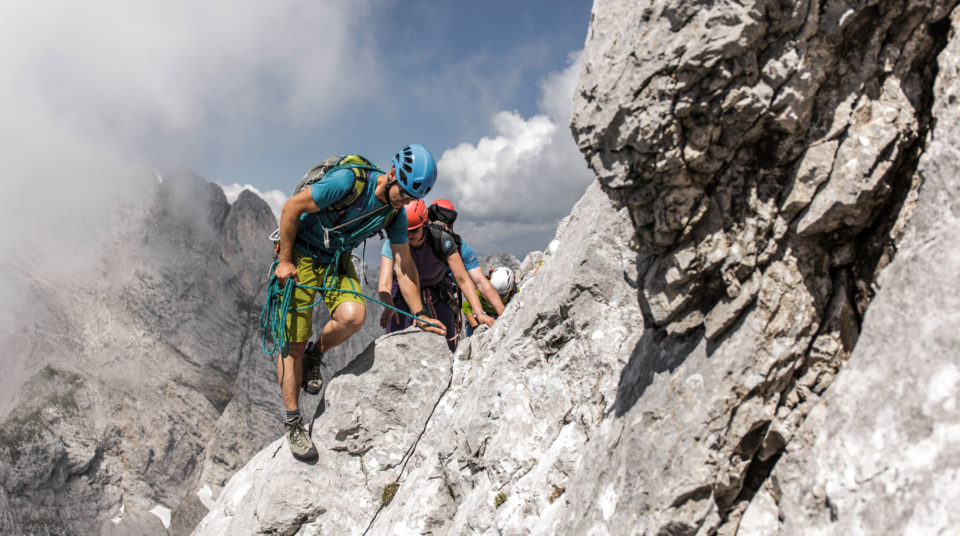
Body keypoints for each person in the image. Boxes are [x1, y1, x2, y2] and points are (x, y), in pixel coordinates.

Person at [273, 144, 445, 462]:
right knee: (291, 345)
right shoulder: (348, 183)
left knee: (353, 317)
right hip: (301, 253)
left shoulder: (394, 214)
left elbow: (404, 265)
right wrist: (285, 260)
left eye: (411, 198)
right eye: (403, 193)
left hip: (336, 258)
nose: (405, 201)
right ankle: (293, 421)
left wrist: (419, 313)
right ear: (392, 173)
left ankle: (317, 353)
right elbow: (291, 208)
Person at [378, 199, 494, 351]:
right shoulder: (393, 242)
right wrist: (388, 303)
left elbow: (462, 279)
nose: (408, 235)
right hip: (403, 298)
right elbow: (384, 284)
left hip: (438, 296)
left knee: (447, 347)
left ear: (424, 223)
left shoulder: (441, 240)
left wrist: (479, 313)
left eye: (414, 230)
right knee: (396, 349)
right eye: (404, 230)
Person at [426, 199, 505, 321]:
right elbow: (480, 281)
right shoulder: (460, 246)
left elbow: (480, 282)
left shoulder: (417, 239)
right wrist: (502, 313)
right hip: (444, 302)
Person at [463, 266, 519, 336]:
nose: (497, 298)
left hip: (500, 317)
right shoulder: (483, 289)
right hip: (483, 315)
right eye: (494, 293)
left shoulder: (516, 293)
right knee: (469, 323)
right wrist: (475, 326)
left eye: (502, 295)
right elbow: (466, 307)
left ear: (510, 290)